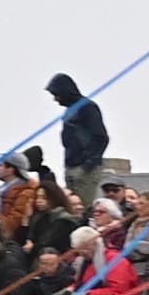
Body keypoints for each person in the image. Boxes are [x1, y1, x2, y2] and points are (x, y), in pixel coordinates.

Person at [46, 74, 110, 211]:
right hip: (72, 165)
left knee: (85, 209)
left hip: (84, 168)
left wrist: (87, 165)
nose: (55, 99)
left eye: (57, 94)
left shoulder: (87, 108)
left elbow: (101, 138)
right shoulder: (71, 111)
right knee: (72, 208)